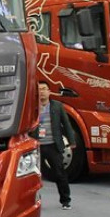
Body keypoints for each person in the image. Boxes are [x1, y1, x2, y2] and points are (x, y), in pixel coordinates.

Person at [36, 81, 76, 209]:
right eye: (39, 89)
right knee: (34, 176)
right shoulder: (32, 107)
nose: (42, 92)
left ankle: (66, 201)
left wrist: (72, 141)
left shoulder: (57, 106)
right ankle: (34, 202)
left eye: (44, 89)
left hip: (53, 145)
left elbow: (67, 124)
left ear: (49, 91)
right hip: (37, 146)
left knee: (60, 173)